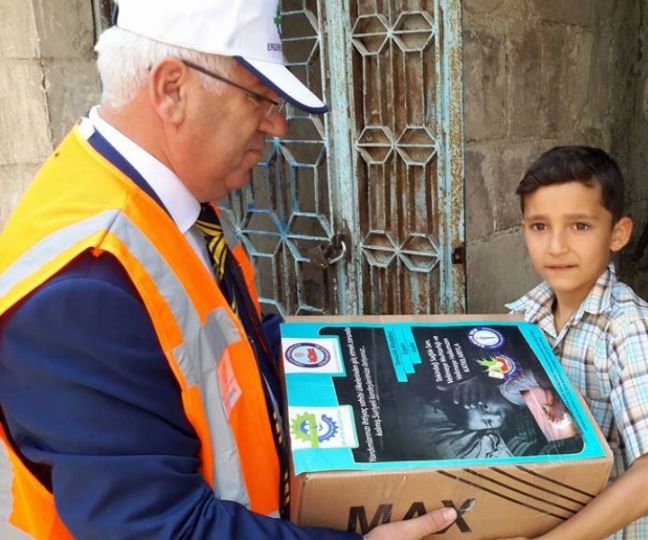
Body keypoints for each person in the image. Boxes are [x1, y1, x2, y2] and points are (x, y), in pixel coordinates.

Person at [0, 0, 455, 538]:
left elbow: (223, 343)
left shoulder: (163, 195)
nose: (279, 125)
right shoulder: (82, 291)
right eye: (260, 99)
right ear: (172, 89)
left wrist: (371, 363)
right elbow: (161, 528)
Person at [503, 146, 648, 539]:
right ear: (523, 230)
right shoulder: (523, 319)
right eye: (540, 226)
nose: (556, 246)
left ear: (618, 233)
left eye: (580, 226)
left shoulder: (629, 331)